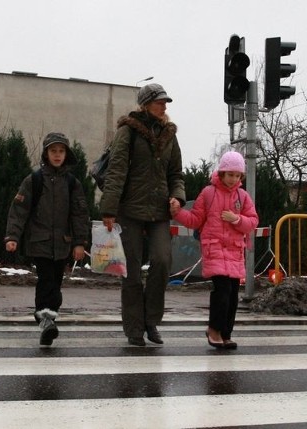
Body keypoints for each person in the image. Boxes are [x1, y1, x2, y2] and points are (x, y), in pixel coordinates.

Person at [99, 83, 185, 347]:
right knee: (132, 271)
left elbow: (176, 173)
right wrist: (109, 209)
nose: (165, 106)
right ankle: (134, 328)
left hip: (159, 210)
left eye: (165, 102)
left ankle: (151, 321)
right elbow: (116, 171)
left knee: (161, 262)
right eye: (160, 101)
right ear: (146, 104)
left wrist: (177, 196)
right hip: (130, 210)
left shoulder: (170, 134)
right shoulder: (128, 131)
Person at [4, 132, 90, 346]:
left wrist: (80, 243)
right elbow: (19, 210)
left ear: (66, 154)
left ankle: (48, 318)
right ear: (46, 153)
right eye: (53, 151)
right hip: (39, 242)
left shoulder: (72, 183)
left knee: (56, 283)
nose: (57, 155)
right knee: (46, 280)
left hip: (63, 242)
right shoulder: (34, 180)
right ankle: (45, 319)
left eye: (61, 151)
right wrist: (12, 236)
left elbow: (80, 215)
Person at [170, 151, 259, 349]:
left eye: (237, 175)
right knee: (222, 290)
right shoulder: (208, 193)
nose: (233, 179)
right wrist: (178, 213)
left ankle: (226, 333)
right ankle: (214, 330)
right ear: (221, 173)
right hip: (215, 249)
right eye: (230, 174)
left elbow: (252, 221)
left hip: (235, 252)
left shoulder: (242, 196)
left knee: (233, 293)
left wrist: (236, 219)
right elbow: (195, 219)